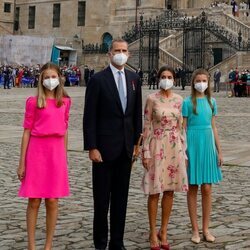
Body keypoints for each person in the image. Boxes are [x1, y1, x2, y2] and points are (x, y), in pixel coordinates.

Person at [83, 38, 142, 250]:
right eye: (117, 50)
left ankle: (117, 242)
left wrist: (137, 142)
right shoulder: (98, 79)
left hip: (126, 149)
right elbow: (89, 116)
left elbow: (135, 114)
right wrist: (92, 146)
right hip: (103, 150)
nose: (120, 53)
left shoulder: (134, 78)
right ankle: (100, 243)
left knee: (120, 200)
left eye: (124, 50)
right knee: (101, 201)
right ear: (110, 53)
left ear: (129, 54)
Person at [17, 62, 71, 250]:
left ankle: (48, 245)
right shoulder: (33, 102)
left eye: (53, 76)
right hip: (37, 151)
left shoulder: (65, 101)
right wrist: (21, 162)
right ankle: (32, 246)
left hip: (55, 153)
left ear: (59, 78)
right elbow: (26, 132)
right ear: (41, 79)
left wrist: (64, 158)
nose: (50, 80)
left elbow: (65, 130)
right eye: (46, 77)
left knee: (53, 200)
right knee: (34, 200)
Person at [141, 65, 188, 250]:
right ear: (158, 78)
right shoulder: (151, 99)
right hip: (156, 145)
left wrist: (183, 151)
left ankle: (164, 230)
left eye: (169, 77)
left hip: (174, 146)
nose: (166, 79)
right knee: (154, 191)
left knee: (169, 190)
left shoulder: (179, 99)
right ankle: (153, 232)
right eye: (163, 76)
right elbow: (147, 125)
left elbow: (181, 127)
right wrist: (145, 151)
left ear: (174, 80)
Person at [182, 68, 223, 244]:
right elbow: (182, 128)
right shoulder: (187, 102)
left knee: (207, 188)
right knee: (193, 187)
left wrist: (219, 150)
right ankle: (195, 229)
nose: (201, 83)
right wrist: (182, 151)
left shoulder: (212, 101)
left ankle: (206, 228)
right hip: (192, 143)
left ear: (208, 83)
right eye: (198, 80)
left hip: (207, 144)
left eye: (204, 80)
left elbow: (214, 127)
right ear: (193, 83)